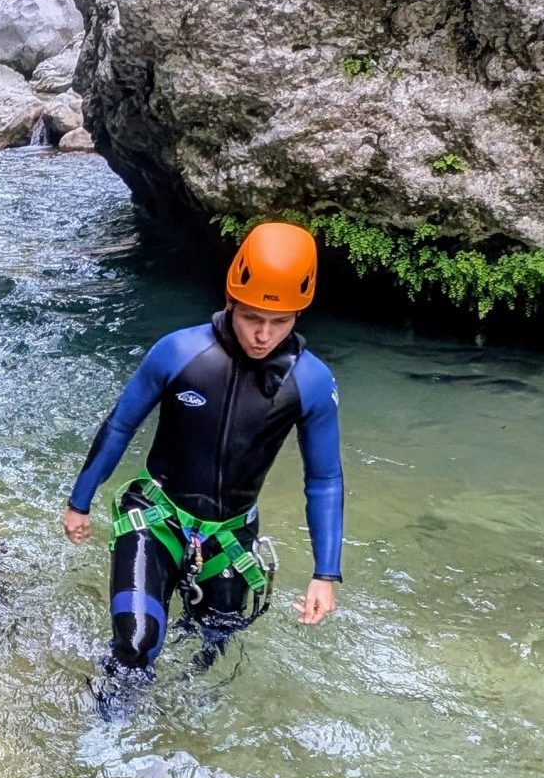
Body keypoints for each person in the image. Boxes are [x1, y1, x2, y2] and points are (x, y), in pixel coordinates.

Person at [62, 221, 344, 674]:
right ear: (231, 299)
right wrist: (80, 502)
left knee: (213, 645)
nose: (263, 335)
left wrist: (324, 574)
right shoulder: (178, 352)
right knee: (136, 645)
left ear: (299, 315)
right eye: (252, 316)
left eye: (280, 322)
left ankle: (179, 740)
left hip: (230, 538)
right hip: (156, 517)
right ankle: (99, 736)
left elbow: (325, 479)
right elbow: (120, 426)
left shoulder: (311, 383)